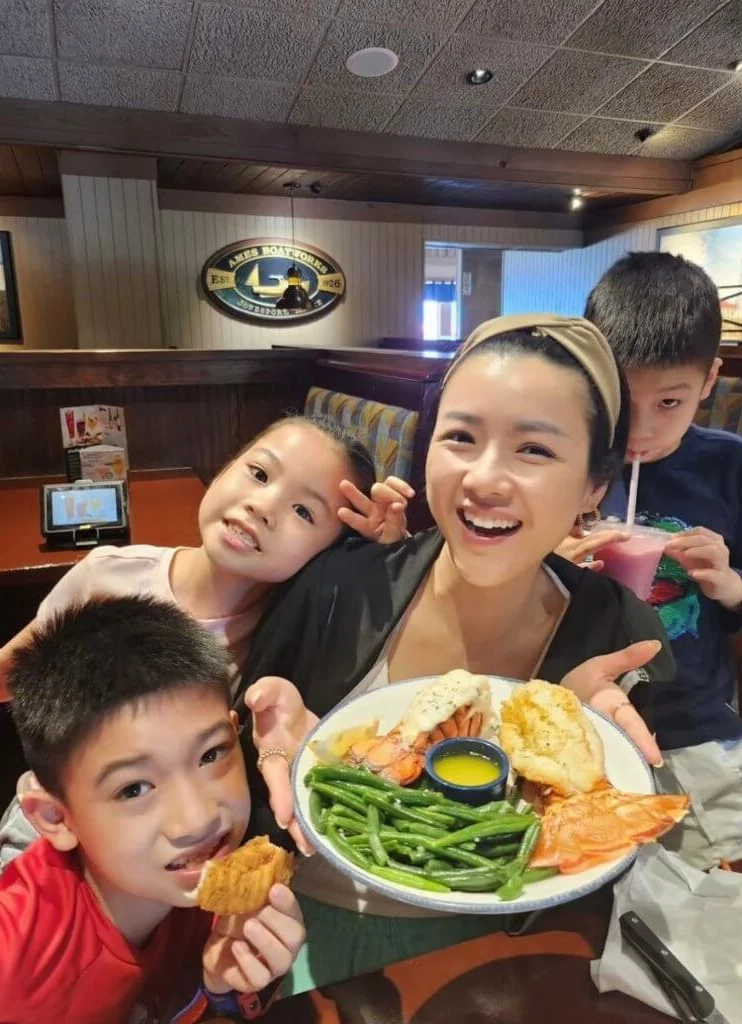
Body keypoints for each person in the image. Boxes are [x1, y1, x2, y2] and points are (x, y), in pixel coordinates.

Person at [235, 313, 677, 995]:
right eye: (461, 437)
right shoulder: (339, 586)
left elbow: (637, 829)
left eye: (535, 449)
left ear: (594, 486)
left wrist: (587, 746)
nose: (484, 479)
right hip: (304, 933)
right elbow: (229, 776)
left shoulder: (613, 629)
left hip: (516, 950)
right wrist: (262, 741)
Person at [0, 413, 411, 872]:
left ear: (328, 552)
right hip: (54, 837)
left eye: (303, 511)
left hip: (168, 862)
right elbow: (8, 674)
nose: (263, 506)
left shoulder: (295, 635)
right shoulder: (109, 578)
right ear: (225, 467)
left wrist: (387, 561)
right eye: (259, 473)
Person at [0, 595, 305, 1024]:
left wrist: (225, 990)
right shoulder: (13, 955)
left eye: (211, 754)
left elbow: (207, 1003)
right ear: (56, 818)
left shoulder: (227, 886)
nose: (198, 819)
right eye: (134, 788)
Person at [583, 251, 742, 869]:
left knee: (708, 882)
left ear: (708, 380)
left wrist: (728, 582)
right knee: (589, 886)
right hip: (585, 718)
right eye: (623, 401)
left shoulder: (726, 463)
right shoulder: (567, 457)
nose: (641, 429)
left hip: (697, 725)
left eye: (670, 402)